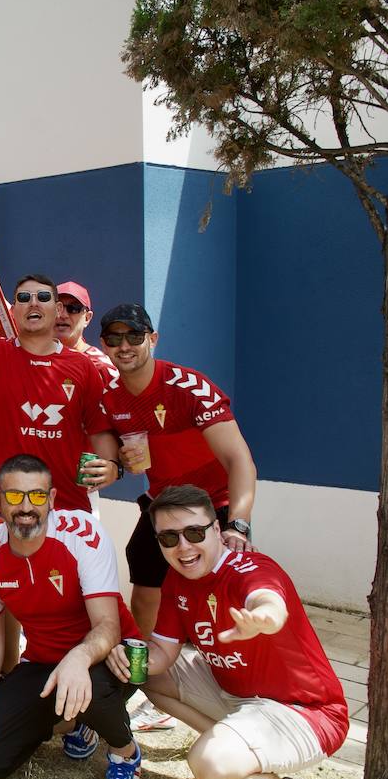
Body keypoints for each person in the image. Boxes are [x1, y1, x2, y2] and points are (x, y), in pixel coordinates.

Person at [106, 485, 347, 779]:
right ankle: (233, 745)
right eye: (169, 538)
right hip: (237, 695)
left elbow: (268, 598)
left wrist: (263, 619)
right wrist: (119, 655)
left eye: (195, 533)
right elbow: (162, 656)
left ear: (217, 531)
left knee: (210, 766)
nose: (184, 547)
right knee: (147, 676)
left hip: (305, 711)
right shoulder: (177, 581)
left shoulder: (249, 567)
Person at [98, 302, 259, 733]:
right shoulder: (111, 399)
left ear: (153, 338)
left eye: (134, 336)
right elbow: (111, 461)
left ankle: (248, 697)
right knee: (145, 586)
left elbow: (239, 459)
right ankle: (148, 682)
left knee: (223, 604)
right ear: (104, 345)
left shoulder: (189, 386)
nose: (124, 345)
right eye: (114, 338)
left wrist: (237, 524)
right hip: (161, 507)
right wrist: (119, 465)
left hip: (214, 508)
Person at [0, 454, 143, 779]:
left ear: (53, 499)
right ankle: (76, 723)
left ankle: (125, 753)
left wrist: (77, 657)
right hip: (43, 664)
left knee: (84, 681)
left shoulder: (82, 533)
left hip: (107, 661)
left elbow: (107, 625)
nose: (26, 507)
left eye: (37, 496)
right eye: (14, 497)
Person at [0, 262, 121, 514]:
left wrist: (112, 466)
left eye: (43, 297)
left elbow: (99, 429)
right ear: (15, 309)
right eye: (24, 298)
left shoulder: (83, 366)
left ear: (57, 309)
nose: (33, 303)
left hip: (62, 509)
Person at [54, 281, 118, 381]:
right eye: (58, 308)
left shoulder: (100, 366)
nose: (63, 315)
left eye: (74, 309)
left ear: (87, 318)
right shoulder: (33, 359)